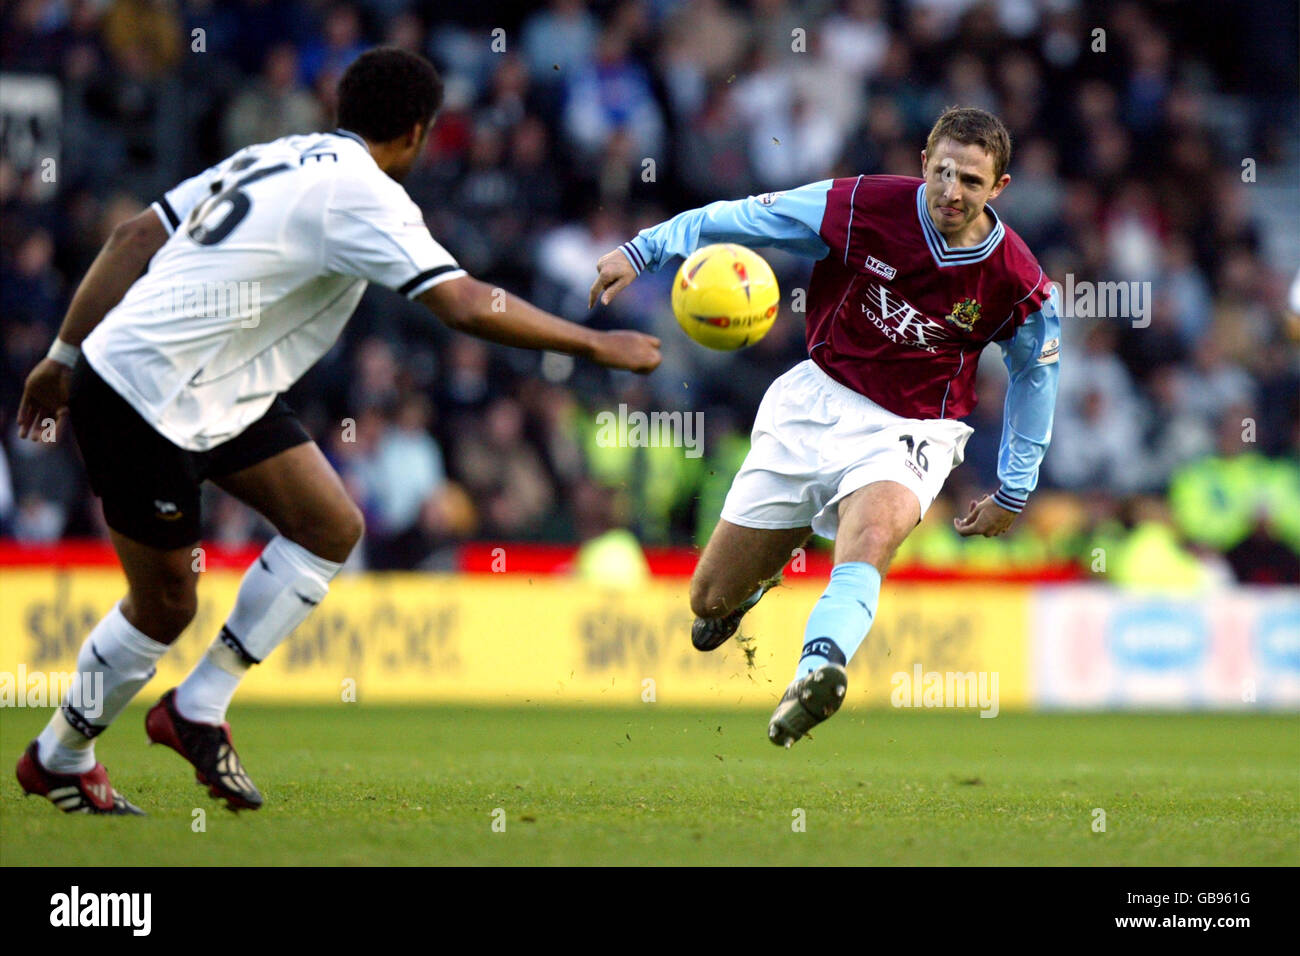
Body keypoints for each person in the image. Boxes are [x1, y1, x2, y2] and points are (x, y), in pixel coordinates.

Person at [15, 47, 660, 815]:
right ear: (417, 134)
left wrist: (60, 356)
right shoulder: (368, 196)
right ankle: (58, 755)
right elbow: (462, 304)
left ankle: (195, 708)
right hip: (141, 392)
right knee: (165, 608)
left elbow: (129, 237)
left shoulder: (273, 154)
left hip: (216, 387)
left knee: (328, 523)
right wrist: (594, 344)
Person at [590, 107, 1059, 746]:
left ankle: (817, 672)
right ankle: (754, 584)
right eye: (943, 173)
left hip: (914, 427)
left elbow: (1037, 375)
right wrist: (645, 247)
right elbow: (748, 217)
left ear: (998, 188)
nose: (952, 192)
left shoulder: (1017, 279)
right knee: (709, 602)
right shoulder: (862, 203)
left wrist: (1015, 486)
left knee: (872, 534)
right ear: (924, 162)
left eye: (971, 182)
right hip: (814, 403)